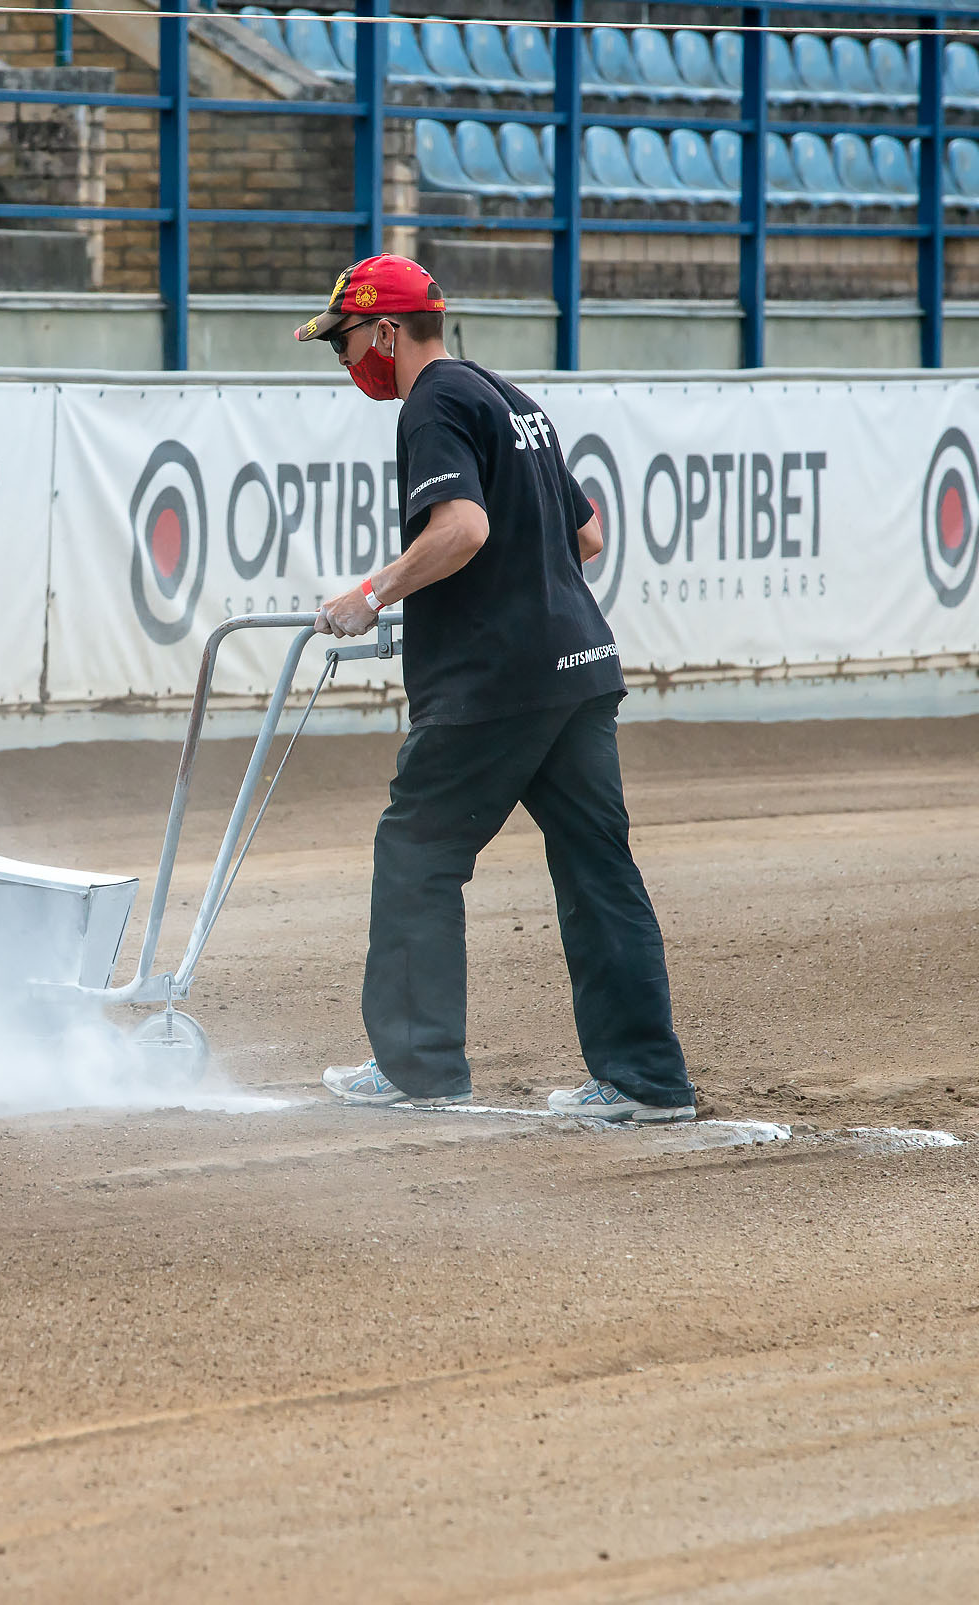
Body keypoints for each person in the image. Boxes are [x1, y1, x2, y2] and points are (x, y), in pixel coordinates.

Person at [294, 254, 696, 1123]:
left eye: (349, 339)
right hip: (580, 669)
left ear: (388, 333)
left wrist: (371, 596)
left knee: (417, 853)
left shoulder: (433, 401)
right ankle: (645, 1081)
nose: (345, 358)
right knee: (599, 869)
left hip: (498, 682)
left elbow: (465, 527)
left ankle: (418, 1066)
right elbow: (585, 537)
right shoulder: (510, 397)